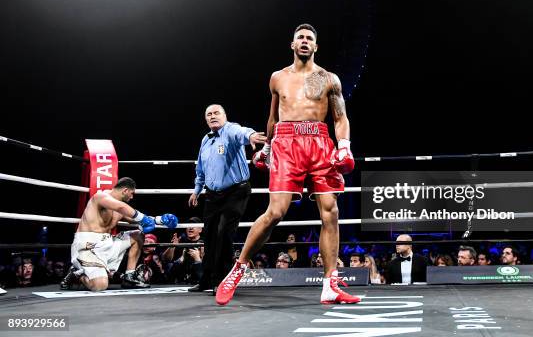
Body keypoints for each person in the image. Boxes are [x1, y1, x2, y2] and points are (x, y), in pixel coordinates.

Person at [216, 24, 358, 306]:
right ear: (293, 45)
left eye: (310, 39)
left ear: (316, 47)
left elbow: (340, 118)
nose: (305, 41)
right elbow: (273, 116)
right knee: (276, 211)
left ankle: (330, 283)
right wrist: (267, 146)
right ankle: (238, 268)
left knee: (330, 211)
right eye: (300, 38)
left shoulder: (328, 79)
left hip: (319, 142)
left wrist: (344, 146)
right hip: (286, 144)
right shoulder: (278, 78)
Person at [188, 104, 267, 295]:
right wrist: (197, 190)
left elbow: (242, 132)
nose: (213, 116)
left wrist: (251, 136)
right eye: (209, 114)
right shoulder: (205, 140)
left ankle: (223, 281)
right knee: (210, 236)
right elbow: (200, 168)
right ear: (206, 119)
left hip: (236, 191)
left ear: (224, 116)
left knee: (224, 232)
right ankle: (206, 279)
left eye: (216, 113)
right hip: (213, 195)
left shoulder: (230, 130)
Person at [60, 177, 178, 291]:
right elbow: (123, 208)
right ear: (125, 190)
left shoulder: (121, 209)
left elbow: (135, 218)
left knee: (138, 235)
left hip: (107, 243)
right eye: (131, 193)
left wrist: (160, 219)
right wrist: (143, 219)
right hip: (88, 246)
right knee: (100, 285)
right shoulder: (100, 197)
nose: (132, 197)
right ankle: (76, 274)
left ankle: (129, 276)